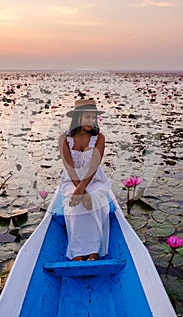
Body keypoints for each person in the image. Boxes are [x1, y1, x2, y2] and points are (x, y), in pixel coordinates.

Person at [58, 99, 111, 261]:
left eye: (93, 117)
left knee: (94, 200)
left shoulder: (99, 138)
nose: (91, 121)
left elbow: (94, 166)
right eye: (87, 117)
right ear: (78, 118)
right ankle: (78, 251)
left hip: (94, 179)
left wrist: (84, 189)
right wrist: (79, 190)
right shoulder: (64, 139)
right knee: (76, 205)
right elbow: (69, 167)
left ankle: (94, 249)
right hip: (72, 179)